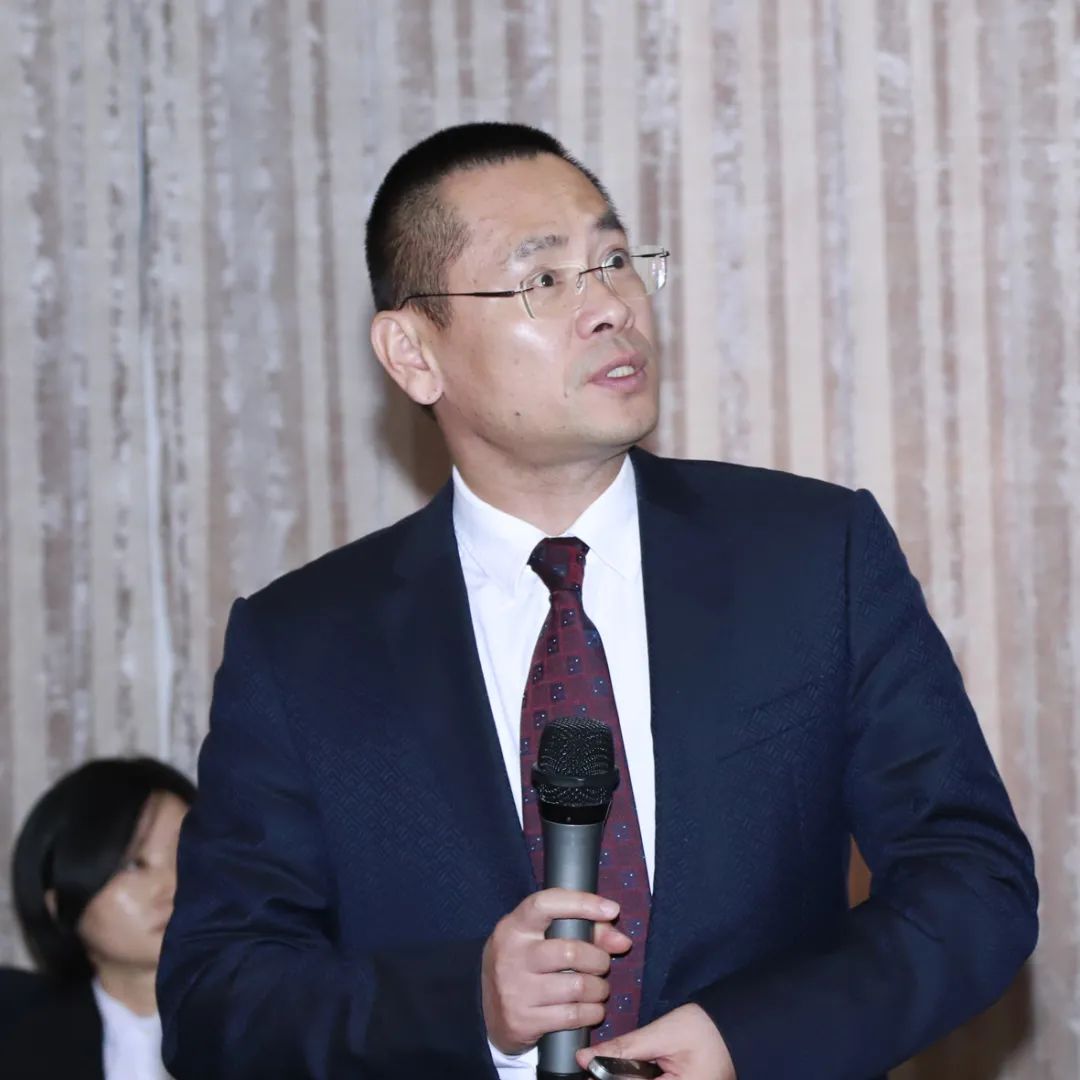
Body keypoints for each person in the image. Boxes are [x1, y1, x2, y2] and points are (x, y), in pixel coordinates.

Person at [157, 122, 1037, 1080]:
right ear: (412, 353)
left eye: (615, 261)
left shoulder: (814, 556)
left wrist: (750, 1040)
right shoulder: (302, 646)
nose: (612, 306)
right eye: (543, 279)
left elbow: (971, 883)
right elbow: (216, 998)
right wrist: (468, 1007)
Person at [2, 756, 195, 1079]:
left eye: (186, 855)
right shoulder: (13, 1027)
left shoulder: (272, 1024)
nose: (173, 885)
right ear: (59, 903)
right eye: (133, 864)